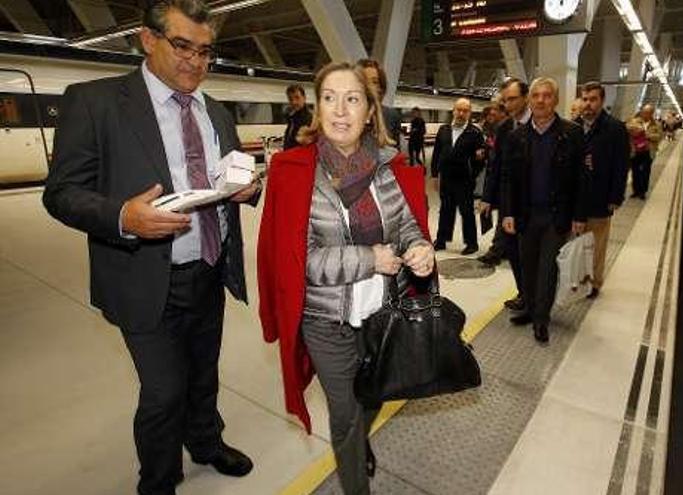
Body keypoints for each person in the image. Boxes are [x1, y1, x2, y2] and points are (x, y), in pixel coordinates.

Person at [41, 2, 259, 494]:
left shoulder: (216, 112)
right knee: (164, 393)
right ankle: (158, 481)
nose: (195, 61)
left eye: (205, 51)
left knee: (204, 374)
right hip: (144, 277)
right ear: (148, 39)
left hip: (209, 269)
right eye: (183, 45)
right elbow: (61, 193)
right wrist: (123, 216)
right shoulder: (95, 101)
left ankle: (206, 442)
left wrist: (250, 187)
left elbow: (232, 175)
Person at [256, 62, 434, 495]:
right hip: (324, 320)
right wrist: (369, 259)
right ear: (317, 110)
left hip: (382, 313)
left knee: (373, 394)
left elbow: (407, 224)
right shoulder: (293, 172)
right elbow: (298, 261)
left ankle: (356, 446)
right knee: (347, 412)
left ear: (370, 111)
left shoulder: (388, 168)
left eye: (352, 98)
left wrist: (421, 248)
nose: (340, 109)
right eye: (329, 98)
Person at [500, 77, 589, 344]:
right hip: (526, 214)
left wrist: (579, 215)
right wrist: (507, 213)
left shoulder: (571, 133)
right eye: (536, 95)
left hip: (555, 215)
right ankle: (529, 308)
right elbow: (508, 178)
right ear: (530, 100)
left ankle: (541, 319)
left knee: (547, 268)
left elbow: (581, 178)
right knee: (527, 266)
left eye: (546, 95)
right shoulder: (518, 136)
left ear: (556, 100)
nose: (540, 100)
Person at [477, 78, 530, 312]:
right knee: (516, 253)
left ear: (525, 97)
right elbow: (495, 166)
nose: (508, 105)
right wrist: (487, 197)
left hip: (538, 203)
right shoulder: (504, 128)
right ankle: (524, 294)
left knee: (535, 254)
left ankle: (536, 299)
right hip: (510, 203)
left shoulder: (540, 124)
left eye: (513, 99)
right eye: (505, 100)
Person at [578, 81, 630, 299]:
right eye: (585, 99)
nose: (588, 104)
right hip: (577, 196)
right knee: (578, 242)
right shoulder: (574, 126)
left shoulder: (615, 128)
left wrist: (615, 196)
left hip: (600, 195)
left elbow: (621, 164)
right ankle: (578, 278)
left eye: (593, 99)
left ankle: (594, 282)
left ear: (602, 101)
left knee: (596, 244)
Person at [431, 97, 485, 255]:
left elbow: (481, 158)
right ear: (453, 111)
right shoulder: (444, 130)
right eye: (458, 110)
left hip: (464, 180)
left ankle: (471, 243)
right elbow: (436, 154)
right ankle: (441, 240)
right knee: (446, 209)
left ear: (469, 113)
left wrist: (472, 173)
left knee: (466, 211)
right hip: (446, 178)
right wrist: (435, 175)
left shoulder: (474, 133)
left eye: (465, 111)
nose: (461, 113)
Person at [356, 58, 402, 148]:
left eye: (374, 82)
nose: (368, 86)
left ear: (381, 88)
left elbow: (395, 152)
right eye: (363, 81)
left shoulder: (390, 115)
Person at [626, 103, 662, 199]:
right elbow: (628, 129)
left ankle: (643, 192)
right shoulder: (636, 121)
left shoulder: (657, 124)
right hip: (636, 151)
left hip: (648, 151)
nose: (645, 114)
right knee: (635, 171)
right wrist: (635, 130)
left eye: (648, 113)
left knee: (645, 172)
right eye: (644, 112)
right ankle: (636, 191)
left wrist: (646, 135)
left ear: (652, 114)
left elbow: (659, 137)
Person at [282, 83, 312, 150]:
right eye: (290, 99)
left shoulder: (309, 118)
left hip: (300, 158)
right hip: (290, 156)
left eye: (297, 97)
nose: (294, 102)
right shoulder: (292, 117)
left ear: (304, 98)